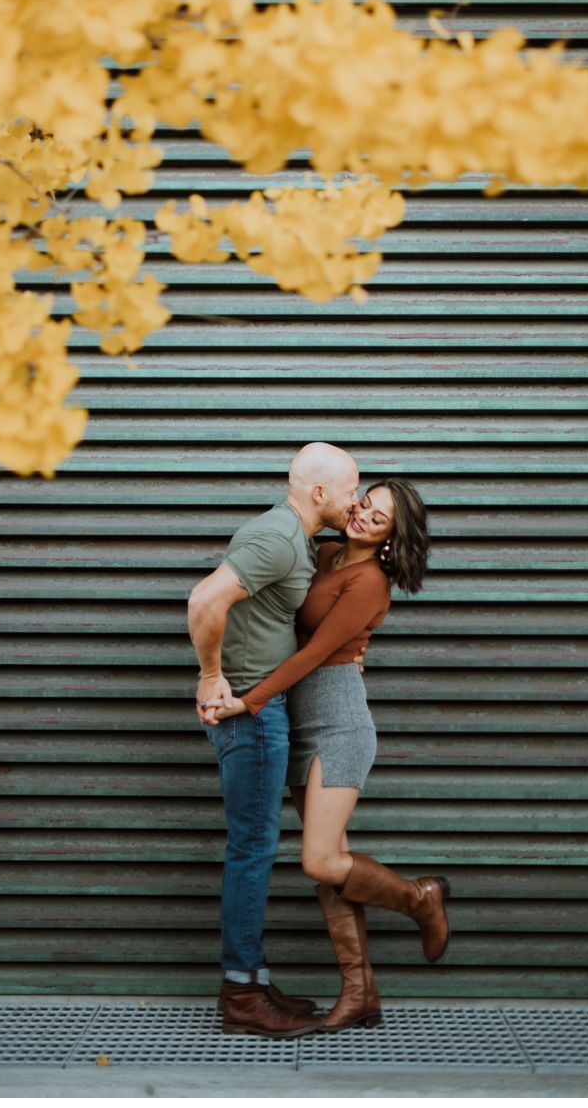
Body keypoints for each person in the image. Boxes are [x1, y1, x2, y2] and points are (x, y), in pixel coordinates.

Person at [212, 480, 442, 1033]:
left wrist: (249, 699)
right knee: (332, 867)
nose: (364, 515)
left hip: (337, 721)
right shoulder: (325, 551)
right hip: (297, 716)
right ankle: (359, 991)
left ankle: (418, 898)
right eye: (365, 501)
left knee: (319, 859)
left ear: (393, 535)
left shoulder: (369, 581)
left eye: (380, 517)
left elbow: (315, 652)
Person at [184, 442, 359, 1038]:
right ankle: (241, 995)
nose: (355, 500)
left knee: (255, 846)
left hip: (260, 708)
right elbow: (205, 598)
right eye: (350, 489)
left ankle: (253, 979)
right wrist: (212, 675)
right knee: (253, 850)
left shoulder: (294, 538)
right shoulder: (279, 537)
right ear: (319, 494)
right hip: (251, 715)